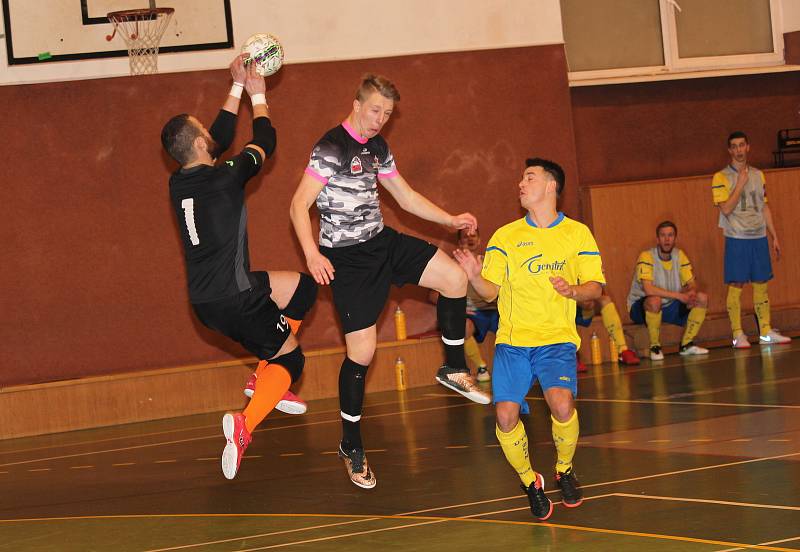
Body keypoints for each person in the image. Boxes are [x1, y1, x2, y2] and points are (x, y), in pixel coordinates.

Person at [290, 73, 490, 490]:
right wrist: (312, 253)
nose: (381, 119)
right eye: (376, 110)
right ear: (357, 104)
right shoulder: (331, 147)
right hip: (348, 260)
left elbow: (406, 197)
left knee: (454, 278)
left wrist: (450, 218)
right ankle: (351, 444)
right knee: (361, 354)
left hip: (382, 242)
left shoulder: (378, 147)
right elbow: (298, 204)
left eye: (388, 113)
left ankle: (453, 368)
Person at [161, 56, 317, 480]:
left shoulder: (180, 182)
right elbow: (265, 137)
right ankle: (246, 423)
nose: (211, 133)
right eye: (203, 131)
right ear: (197, 145)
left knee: (303, 289)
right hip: (237, 298)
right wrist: (257, 92)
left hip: (208, 299)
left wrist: (234, 86)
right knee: (294, 362)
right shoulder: (225, 176)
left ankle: (262, 373)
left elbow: (219, 137)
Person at [455, 158, 604, 521]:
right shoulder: (505, 237)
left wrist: (573, 289)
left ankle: (564, 469)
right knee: (505, 418)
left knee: (562, 405)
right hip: (513, 342)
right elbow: (490, 292)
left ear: (551, 186)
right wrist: (474, 276)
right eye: (521, 177)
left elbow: (595, 288)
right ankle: (529, 481)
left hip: (556, 339)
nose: (521, 183)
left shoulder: (578, 234)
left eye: (530, 177)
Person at [712, 131, 790, 348]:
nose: (738, 150)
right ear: (729, 150)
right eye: (734, 146)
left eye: (741, 145)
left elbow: (764, 206)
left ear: (748, 147)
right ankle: (738, 334)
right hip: (737, 237)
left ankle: (765, 330)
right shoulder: (720, 177)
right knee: (736, 284)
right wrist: (739, 183)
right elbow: (726, 208)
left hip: (758, 237)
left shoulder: (758, 174)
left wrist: (773, 235)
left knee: (761, 283)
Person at [626, 221, 709, 360]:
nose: (667, 239)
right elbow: (648, 289)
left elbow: (691, 283)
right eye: (663, 236)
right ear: (657, 239)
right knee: (654, 300)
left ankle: (686, 345)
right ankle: (655, 347)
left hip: (670, 306)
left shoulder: (680, 255)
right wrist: (679, 296)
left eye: (670, 235)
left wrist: (691, 292)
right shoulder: (646, 256)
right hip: (642, 307)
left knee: (702, 298)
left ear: (675, 238)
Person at [430, 228, 499, 382]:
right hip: (472, 314)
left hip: (494, 310)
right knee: (463, 325)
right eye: (466, 237)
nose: (470, 239)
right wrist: (460, 306)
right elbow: (433, 295)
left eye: (473, 236)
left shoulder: (489, 262)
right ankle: (481, 367)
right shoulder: (451, 265)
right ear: (460, 242)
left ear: (480, 240)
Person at [574, 291, 640, 368]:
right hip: (566, 306)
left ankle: (623, 350)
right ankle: (571, 355)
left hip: (585, 307)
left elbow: (598, 291)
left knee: (605, 300)